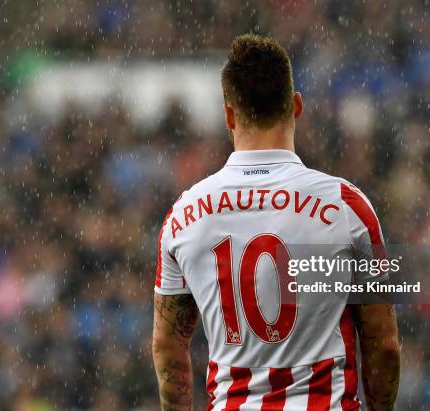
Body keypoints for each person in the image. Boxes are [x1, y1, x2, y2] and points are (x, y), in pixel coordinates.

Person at [152, 34, 400, 411]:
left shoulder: (184, 216)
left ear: (229, 116)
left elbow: (167, 348)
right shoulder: (348, 207)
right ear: (296, 106)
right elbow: (383, 346)